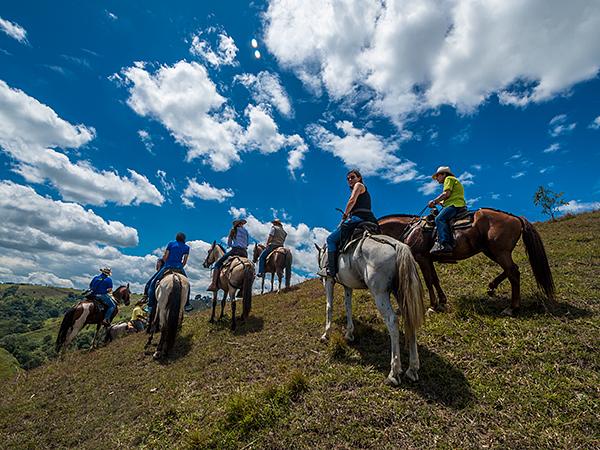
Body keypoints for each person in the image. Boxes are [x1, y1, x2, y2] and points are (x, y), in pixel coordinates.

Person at [320, 169, 377, 277]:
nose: (350, 180)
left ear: (359, 178)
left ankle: (330, 270)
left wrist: (344, 217)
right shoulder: (362, 189)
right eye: (348, 179)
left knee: (330, 239)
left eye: (352, 177)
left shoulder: (359, 185)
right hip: (369, 218)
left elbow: (351, 201)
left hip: (359, 218)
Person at [147, 232, 191, 319]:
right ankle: (187, 304)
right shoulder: (186, 247)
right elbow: (185, 261)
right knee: (188, 285)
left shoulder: (171, 244)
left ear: (176, 238)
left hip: (168, 267)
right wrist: (180, 266)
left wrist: (165, 261)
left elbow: (165, 256)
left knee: (152, 284)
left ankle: (150, 305)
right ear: (184, 239)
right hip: (179, 268)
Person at [427, 166, 467, 254]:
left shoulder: (448, 179)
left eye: (437, 176)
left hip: (455, 205)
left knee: (439, 219)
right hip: (455, 204)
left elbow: (446, 193)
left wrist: (434, 201)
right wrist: (439, 203)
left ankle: (444, 244)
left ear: (443, 174)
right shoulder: (454, 180)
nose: (436, 179)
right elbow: (448, 197)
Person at [207, 219, 250, 291]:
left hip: (235, 250)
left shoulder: (233, 230)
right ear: (241, 224)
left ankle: (213, 285)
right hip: (244, 253)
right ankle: (243, 288)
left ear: (236, 224)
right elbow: (247, 243)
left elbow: (229, 242)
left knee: (217, 264)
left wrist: (231, 245)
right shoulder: (246, 231)